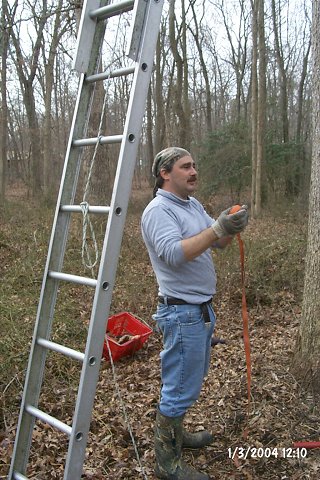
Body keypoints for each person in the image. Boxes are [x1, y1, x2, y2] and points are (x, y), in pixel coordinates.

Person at [141, 147, 249, 480]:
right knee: (178, 389)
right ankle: (166, 463)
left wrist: (229, 226)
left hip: (200, 310)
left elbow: (217, 243)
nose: (193, 171)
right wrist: (217, 229)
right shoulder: (159, 211)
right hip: (181, 313)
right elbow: (174, 254)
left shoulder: (191, 205)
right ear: (165, 173)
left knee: (188, 382)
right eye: (185, 166)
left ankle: (177, 436)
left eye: (194, 165)